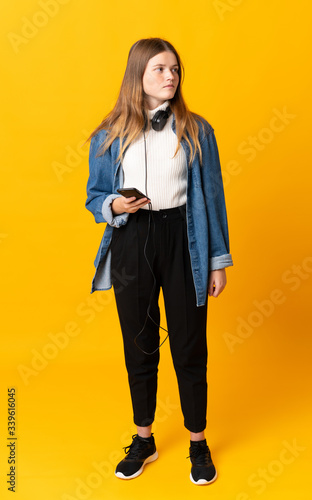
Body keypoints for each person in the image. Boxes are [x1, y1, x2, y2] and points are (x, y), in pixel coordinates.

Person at [85, 37, 233, 485]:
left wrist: (217, 260)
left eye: (175, 69)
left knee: (190, 345)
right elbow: (95, 197)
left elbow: (212, 197)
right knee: (139, 343)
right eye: (160, 69)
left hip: (184, 238)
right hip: (132, 240)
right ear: (138, 75)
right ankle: (144, 438)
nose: (171, 76)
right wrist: (115, 204)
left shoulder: (197, 129)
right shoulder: (107, 134)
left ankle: (198, 442)